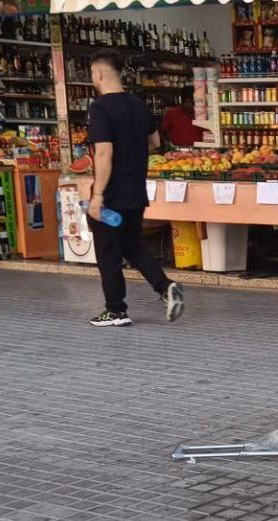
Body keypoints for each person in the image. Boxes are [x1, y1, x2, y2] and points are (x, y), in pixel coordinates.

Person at [86, 48, 184, 327]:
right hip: (135, 189)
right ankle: (165, 287)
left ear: (100, 73)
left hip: (112, 192)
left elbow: (104, 153)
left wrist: (98, 195)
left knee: (108, 251)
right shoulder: (138, 104)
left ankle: (115, 310)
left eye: (93, 74)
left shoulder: (101, 108)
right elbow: (154, 142)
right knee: (132, 244)